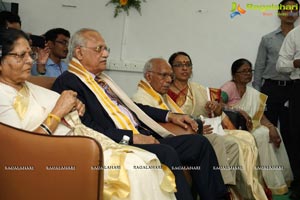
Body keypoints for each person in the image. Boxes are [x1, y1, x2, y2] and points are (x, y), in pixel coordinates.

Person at [0, 28, 178, 200]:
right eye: (20, 55)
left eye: (30, 54)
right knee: (136, 167)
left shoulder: (30, 87)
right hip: (57, 155)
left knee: (145, 160)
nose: (30, 61)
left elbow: (62, 101)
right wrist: (58, 112)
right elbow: (21, 150)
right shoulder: (3, 94)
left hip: (79, 143)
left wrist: (73, 105)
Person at [52, 28, 229, 200]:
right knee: (166, 152)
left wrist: (170, 115)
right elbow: (87, 128)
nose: (105, 54)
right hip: (118, 144)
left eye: (106, 49)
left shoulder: (101, 81)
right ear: (79, 52)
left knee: (199, 143)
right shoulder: (69, 82)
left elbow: (133, 108)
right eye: (99, 49)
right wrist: (131, 138)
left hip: (143, 135)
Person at [162, 53, 268, 199]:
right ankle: (223, 190)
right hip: (186, 135)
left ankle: (240, 190)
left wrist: (216, 109)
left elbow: (217, 112)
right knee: (231, 144)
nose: (184, 68)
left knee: (246, 139)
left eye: (187, 64)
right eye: (179, 65)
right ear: (171, 69)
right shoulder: (164, 92)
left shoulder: (200, 90)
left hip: (206, 129)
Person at [221, 58, 293, 196]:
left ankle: (271, 180)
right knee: (261, 135)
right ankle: (260, 181)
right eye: (243, 71)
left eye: (250, 71)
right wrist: (238, 110)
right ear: (234, 75)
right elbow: (218, 104)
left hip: (249, 125)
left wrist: (271, 127)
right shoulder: (229, 87)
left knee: (272, 131)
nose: (248, 74)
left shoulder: (252, 91)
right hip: (232, 128)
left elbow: (260, 117)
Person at [253, 0, 299, 160]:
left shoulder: (298, 37)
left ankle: (293, 176)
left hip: (293, 89)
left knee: (292, 132)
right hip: (271, 88)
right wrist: (257, 94)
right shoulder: (268, 39)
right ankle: (271, 175)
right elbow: (259, 66)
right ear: (280, 13)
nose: (290, 13)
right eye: (287, 9)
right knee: (268, 131)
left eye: (294, 9)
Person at [276, 24, 300, 200]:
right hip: (299, 88)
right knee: (297, 136)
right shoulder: (295, 34)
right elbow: (280, 65)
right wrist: (296, 63)